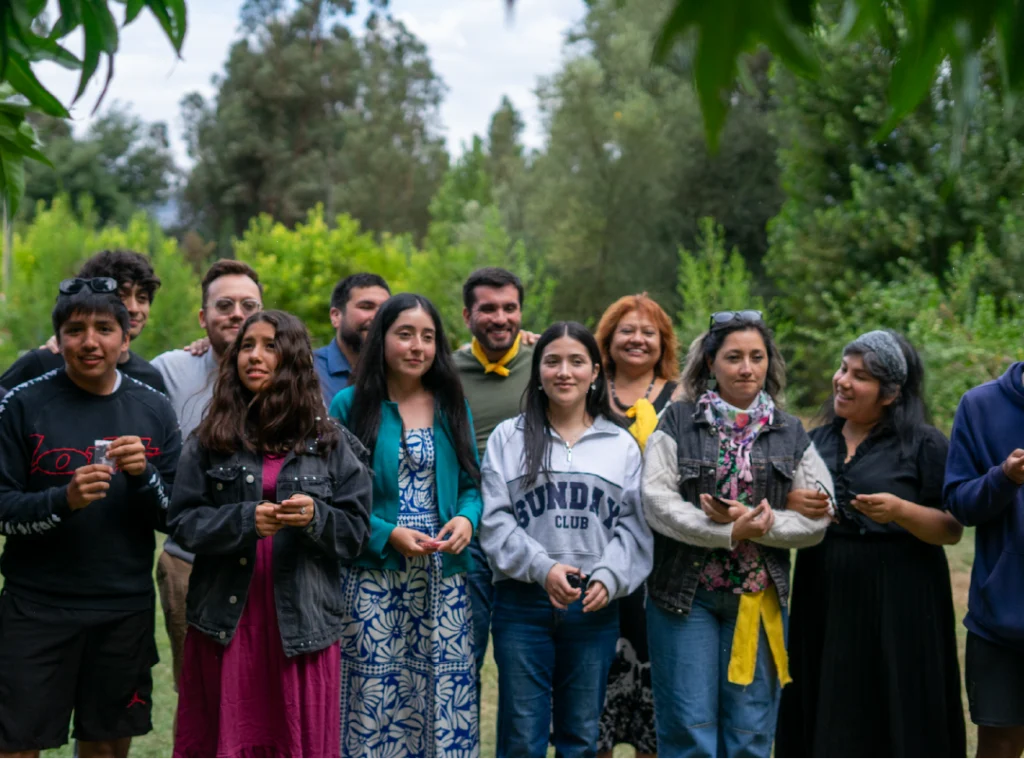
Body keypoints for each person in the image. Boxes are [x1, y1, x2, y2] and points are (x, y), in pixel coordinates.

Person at [168, 310, 372, 759]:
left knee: (294, 743)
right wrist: (243, 521)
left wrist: (316, 516)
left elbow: (356, 534)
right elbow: (182, 523)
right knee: (225, 742)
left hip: (301, 629)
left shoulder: (330, 442)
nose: (254, 356)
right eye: (247, 346)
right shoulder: (210, 439)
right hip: (226, 625)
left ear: (294, 359)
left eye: (269, 346)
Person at [0, 280, 180, 759]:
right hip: (34, 607)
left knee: (104, 750)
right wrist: (63, 500)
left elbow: (176, 516)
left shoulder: (154, 407)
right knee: (15, 746)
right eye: (75, 330)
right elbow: (2, 509)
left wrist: (144, 476)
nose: (90, 341)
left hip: (122, 610)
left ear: (125, 338)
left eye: (104, 328)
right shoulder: (22, 405)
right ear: (58, 339)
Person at [641, 310, 832, 758]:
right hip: (684, 599)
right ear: (711, 363)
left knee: (750, 733)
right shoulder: (677, 420)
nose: (747, 368)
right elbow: (656, 501)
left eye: (756, 357)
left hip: (757, 600)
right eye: (733, 357)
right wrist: (724, 531)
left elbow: (820, 516)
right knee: (689, 729)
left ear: (769, 362)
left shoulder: (790, 431)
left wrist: (763, 525)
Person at [776, 330, 966, 759]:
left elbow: (951, 529)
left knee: (896, 704)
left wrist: (901, 510)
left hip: (901, 600)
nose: (842, 381)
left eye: (860, 376)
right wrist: (792, 502)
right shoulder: (815, 442)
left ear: (890, 394)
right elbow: (786, 513)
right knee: (829, 698)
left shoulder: (923, 444)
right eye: (843, 368)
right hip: (824, 593)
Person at [479, 321, 654, 759]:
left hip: (592, 606)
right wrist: (543, 568)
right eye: (552, 361)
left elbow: (634, 528)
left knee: (580, 737)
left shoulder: (620, 444)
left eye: (577, 361)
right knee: (522, 737)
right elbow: (495, 522)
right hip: (522, 603)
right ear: (537, 371)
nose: (564, 372)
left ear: (595, 372)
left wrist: (609, 576)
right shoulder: (508, 437)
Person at [330, 293, 482, 757]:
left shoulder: (451, 404)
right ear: (382, 339)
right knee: (374, 697)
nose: (417, 346)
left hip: (442, 577)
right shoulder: (349, 404)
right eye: (405, 334)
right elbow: (333, 495)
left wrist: (466, 519)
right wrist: (386, 533)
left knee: (443, 693)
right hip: (373, 576)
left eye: (428, 337)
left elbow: (473, 485)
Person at [149, 259, 264, 690]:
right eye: (224, 305)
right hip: (189, 560)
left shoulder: (288, 374)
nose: (237, 314)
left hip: (267, 561)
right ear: (203, 317)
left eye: (249, 305)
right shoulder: (169, 370)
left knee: (260, 691)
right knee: (199, 692)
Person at [593, 293, 678, 759]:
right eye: (627, 330)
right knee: (595, 685)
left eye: (649, 332)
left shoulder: (681, 395)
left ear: (663, 341)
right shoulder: (587, 387)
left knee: (653, 685)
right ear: (608, 338)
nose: (637, 339)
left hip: (660, 559)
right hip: (595, 549)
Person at [452, 266, 536, 706]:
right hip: (468, 532)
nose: (500, 318)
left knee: (527, 669)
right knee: (462, 659)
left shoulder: (544, 362)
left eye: (510, 308)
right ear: (468, 315)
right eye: (488, 309)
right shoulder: (446, 371)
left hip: (533, 531)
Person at [944, 356, 1024, 759]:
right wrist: (1003, 477)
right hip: (1001, 621)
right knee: (1000, 746)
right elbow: (959, 504)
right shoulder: (981, 405)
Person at [1, 249, 167, 393]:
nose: (134, 308)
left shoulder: (150, 379)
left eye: (142, 298)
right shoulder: (43, 363)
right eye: (122, 296)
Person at [313, 273, 391, 407]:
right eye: (366, 307)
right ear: (336, 316)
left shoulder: (400, 373)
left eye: (385, 310)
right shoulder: (307, 370)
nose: (378, 317)